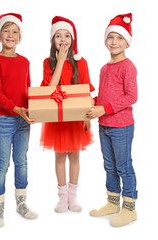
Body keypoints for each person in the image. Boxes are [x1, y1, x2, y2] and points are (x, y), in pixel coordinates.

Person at [87, 13, 138, 227]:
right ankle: (113, 201)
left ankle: (129, 208)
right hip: (104, 126)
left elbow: (131, 97)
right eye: (111, 38)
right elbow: (106, 95)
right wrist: (92, 101)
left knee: (123, 166)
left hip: (121, 126)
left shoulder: (128, 66)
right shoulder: (104, 68)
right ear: (105, 41)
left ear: (127, 42)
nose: (114, 42)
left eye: (119, 38)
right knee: (109, 165)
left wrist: (103, 108)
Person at [40, 16, 95, 213]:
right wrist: (61, 62)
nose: (63, 40)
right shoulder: (48, 62)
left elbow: (87, 92)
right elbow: (48, 89)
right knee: (60, 156)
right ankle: (62, 198)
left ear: (73, 39)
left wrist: (87, 118)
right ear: (52, 40)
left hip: (76, 117)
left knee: (74, 155)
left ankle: (73, 196)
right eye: (58, 36)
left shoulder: (82, 63)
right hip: (57, 119)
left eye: (67, 36)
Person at [0, 13, 37, 228]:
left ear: (20, 36)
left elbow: (28, 90)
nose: (10, 35)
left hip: (23, 120)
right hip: (4, 120)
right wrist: (16, 108)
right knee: (2, 163)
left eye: (15, 31)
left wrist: (33, 109)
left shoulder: (25, 61)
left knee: (22, 161)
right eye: (6, 30)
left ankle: (21, 203)